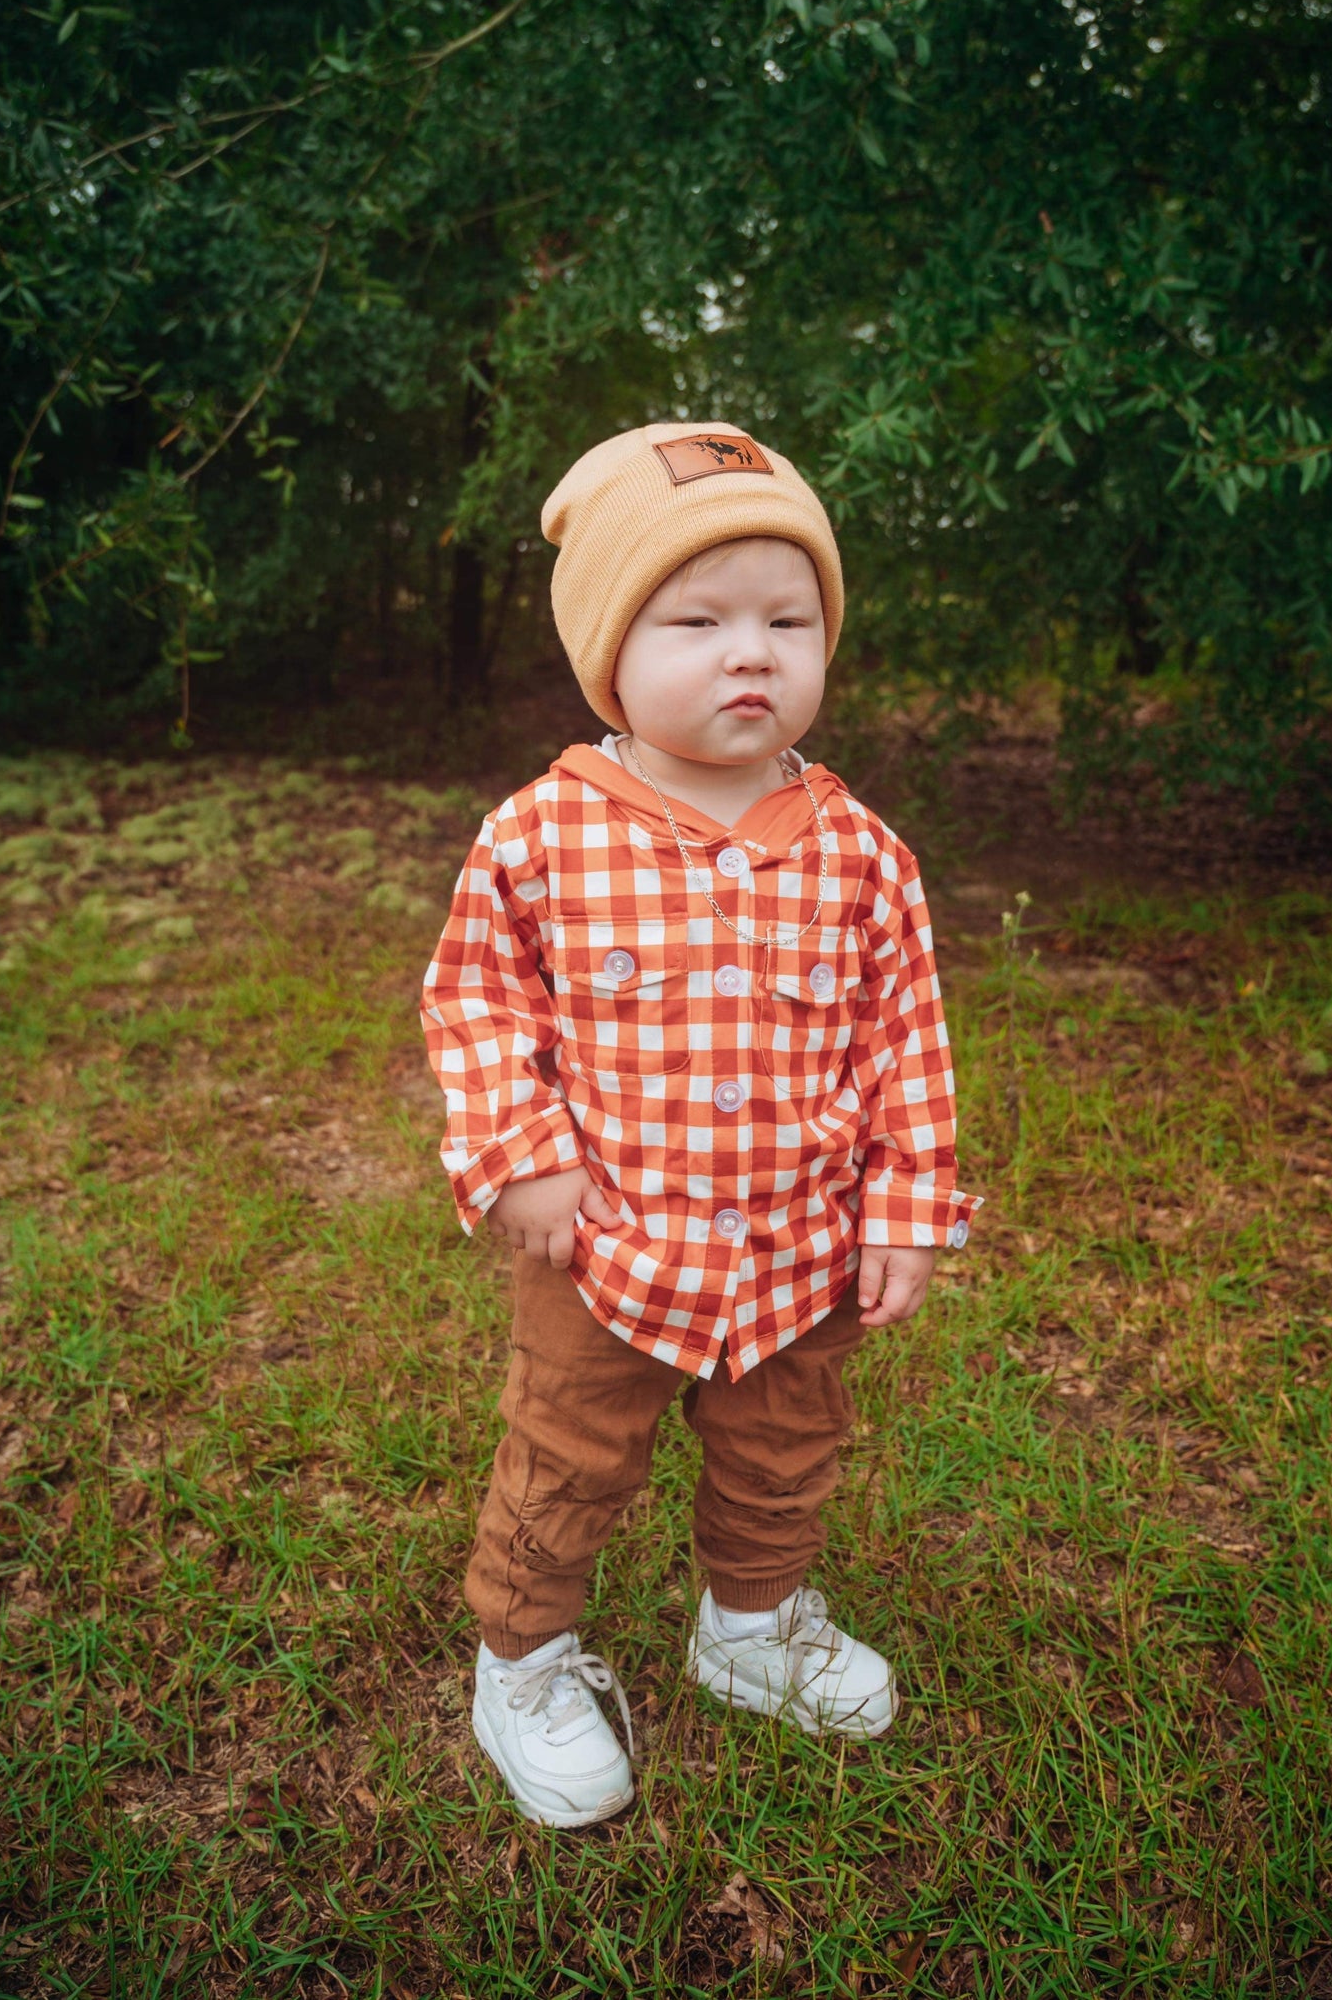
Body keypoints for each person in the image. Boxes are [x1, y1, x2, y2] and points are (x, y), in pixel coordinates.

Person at [422, 422, 980, 1827]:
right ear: (607, 648)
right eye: (699, 619)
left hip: (797, 1251)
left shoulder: (859, 851)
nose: (752, 652)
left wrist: (906, 1202)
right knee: (566, 1457)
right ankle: (524, 1659)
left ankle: (750, 1624)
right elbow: (475, 1002)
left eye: (787, 621)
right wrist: (524, 1155)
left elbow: (904, 1035)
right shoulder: (540, 834)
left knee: (784, 1446)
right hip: (604, 1251)